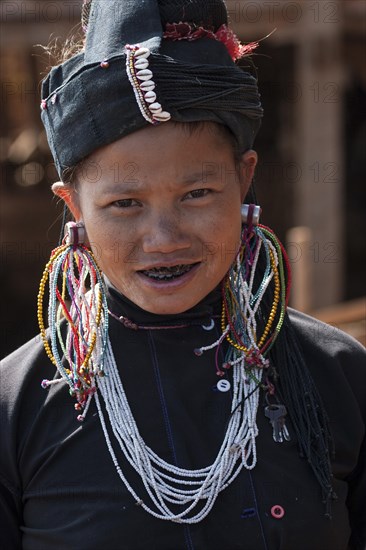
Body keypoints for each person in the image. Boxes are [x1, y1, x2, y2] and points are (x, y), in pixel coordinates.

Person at [1, 1, 365, 549]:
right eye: (125, 203)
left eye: (198, 194)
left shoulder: (337, 376)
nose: (165, 238)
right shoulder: (17, 408)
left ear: (244, 182)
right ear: (74, 206)